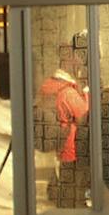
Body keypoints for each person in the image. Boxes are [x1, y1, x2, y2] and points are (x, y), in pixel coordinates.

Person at [38, 34, 90, 166]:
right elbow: (85, 118)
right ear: (68, 59)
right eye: (77, 58)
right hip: (70, 155)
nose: (80, 64)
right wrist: (87, 92)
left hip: (56, 153)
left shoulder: (49, 85)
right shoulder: (67, 93)